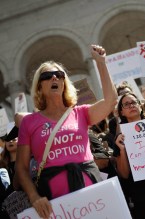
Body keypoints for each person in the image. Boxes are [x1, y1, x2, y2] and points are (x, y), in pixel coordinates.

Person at [15, 45, 118, 218]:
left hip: (93, 195)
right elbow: (21, 167)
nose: (54, 77)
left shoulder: (81, 113)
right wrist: (35, 197)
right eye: (47, 76)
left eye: (59, 75)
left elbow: (110, 101)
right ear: (39, 87)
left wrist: (101, 63)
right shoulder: (29, 122)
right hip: (56, 202)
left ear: (64, 82)